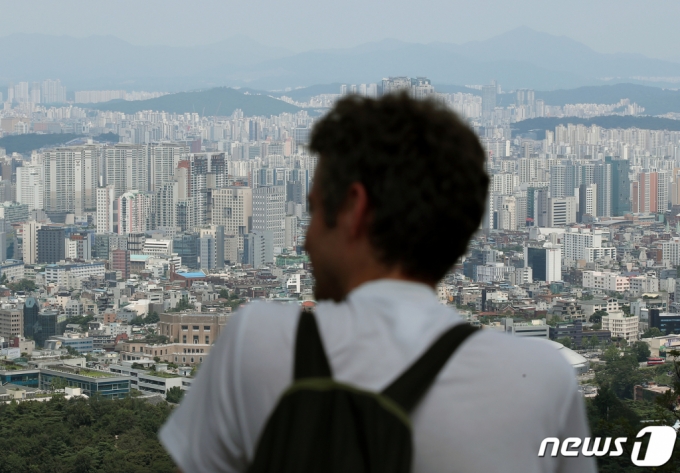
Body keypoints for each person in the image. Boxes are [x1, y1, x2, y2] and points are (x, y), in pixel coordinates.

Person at [159, 93, 596, 472]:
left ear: (354, 210)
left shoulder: (257, 343)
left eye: (313, 211)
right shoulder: (542, 382)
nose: (306, 239)